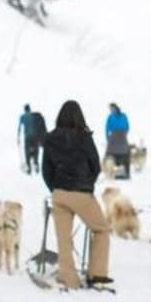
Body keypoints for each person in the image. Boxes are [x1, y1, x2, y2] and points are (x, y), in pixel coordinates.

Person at [41, 100, 113, 290]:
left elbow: (45, 170)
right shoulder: (84, 137)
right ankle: (97, 275)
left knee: (64, 238)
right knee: (101, 230)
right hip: (81, 194)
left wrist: (55, 189)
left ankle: (68, 279)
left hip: (60, 194)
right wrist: (87, 184)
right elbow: (95, 166)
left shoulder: (50, 139)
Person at [17, 104, 46, 174]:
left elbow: (19, 128)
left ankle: (29, 168)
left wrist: (18, 138)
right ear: (30, 109)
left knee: (27, 151)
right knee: (36, 150)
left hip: (27, 137)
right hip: (35, 136)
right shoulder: (34, 116)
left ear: (25, 110)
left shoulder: (22, 117)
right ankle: (36, 165)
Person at [105, 103, 130, 179]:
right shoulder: (110, 117)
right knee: (111, 156)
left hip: (122, 136)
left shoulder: (123, 116)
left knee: (124, 155)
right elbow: (106, 128)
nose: (111, 110)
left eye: (112, 108)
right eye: (110, 109)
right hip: (113, 137)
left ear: (116, 108)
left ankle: (124, 174)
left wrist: (124, 133)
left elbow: (127, 126)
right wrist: (108, 138)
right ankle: (113, 174)